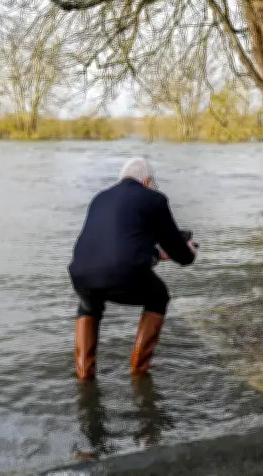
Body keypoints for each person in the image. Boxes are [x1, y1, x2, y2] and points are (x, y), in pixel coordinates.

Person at [68, 157, 197, 381]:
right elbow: (182, 256)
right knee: (159, 296)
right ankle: (139, 371)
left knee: (89, 306)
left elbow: (116, 244)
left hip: (81, 274)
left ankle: (84, 374)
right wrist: (189, 251)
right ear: (147, 181)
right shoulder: (154, 199)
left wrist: (157, 254)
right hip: (123, 273)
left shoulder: (100, 198)